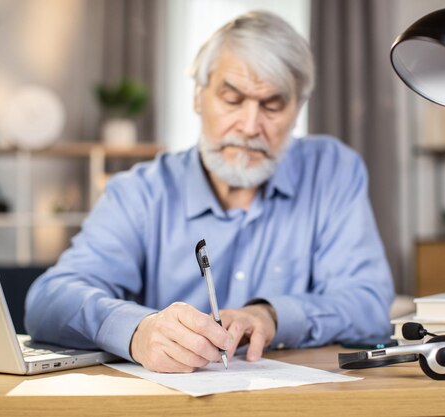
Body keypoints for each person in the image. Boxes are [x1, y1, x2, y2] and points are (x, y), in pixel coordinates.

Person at [25, 10, 394, 373]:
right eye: (232, 99)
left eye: (273, 105)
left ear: (296, 111)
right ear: (198, 98)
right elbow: (50, 300)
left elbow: (368, 304)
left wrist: (272, 315)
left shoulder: (332, 170)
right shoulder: (140, 192)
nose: (250, 126)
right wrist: (138, 330)